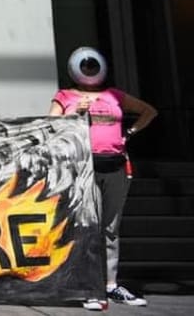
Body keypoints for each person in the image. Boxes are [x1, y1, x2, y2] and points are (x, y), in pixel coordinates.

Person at [48, 46, 157, 311]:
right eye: (84, 66)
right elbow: (50, 126)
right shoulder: (65, 96)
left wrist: (128, 133)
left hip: (116, 166)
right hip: (84, 167)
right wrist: (75, 113)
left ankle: (110, 284)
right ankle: (89, 286)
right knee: (88, 226)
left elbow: (149, 111)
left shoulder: (114, 95)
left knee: (110, 228)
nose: (89, 70)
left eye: (92, 65)